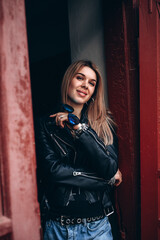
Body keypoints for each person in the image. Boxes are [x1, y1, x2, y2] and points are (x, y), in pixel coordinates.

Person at [35, 60, 122, 240]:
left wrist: (80, 129)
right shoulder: (45, 124)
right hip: (57, 226)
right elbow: (53, 172)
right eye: (80, 78)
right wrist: (107, 179)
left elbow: (109, 167)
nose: (85, 85)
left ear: (94, 92)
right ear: (68, 80)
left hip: (97, 227)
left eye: (92, 83)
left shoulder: (104, 124)